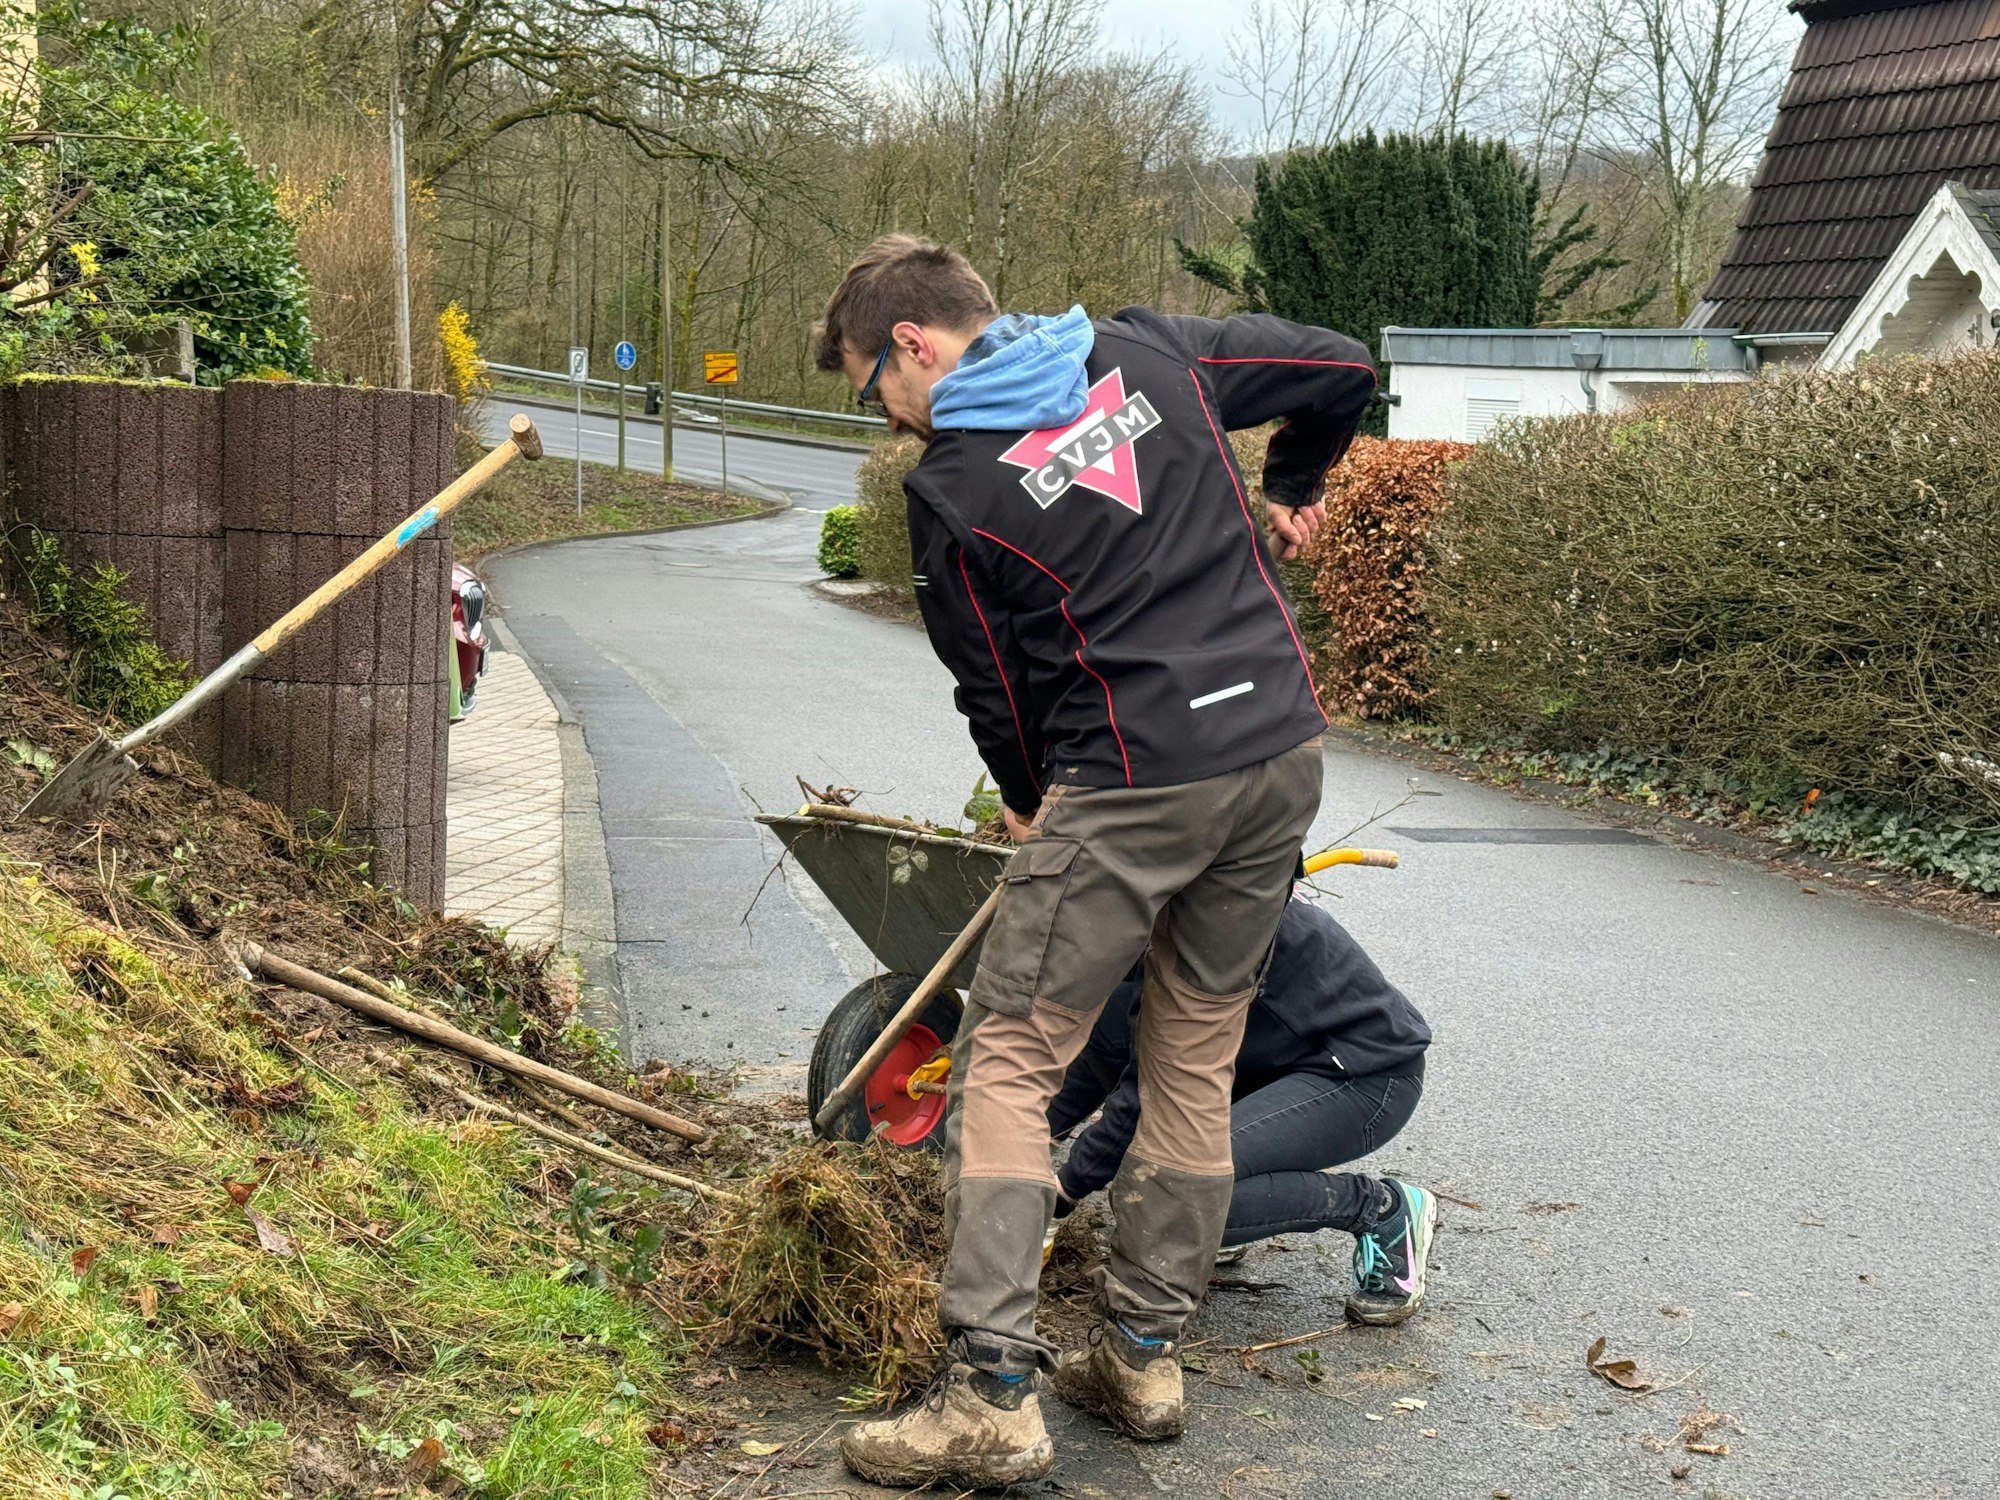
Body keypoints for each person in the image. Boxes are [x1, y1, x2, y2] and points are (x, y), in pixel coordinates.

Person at [812, 235, 1375, 1489]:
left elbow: (995, 691)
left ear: (914, 343)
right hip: (1278, 749)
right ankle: (1140, 1356)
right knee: (1193, 1047)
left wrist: (1028, 804)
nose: (884, 414)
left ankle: (990, 1392)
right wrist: (1297, 479)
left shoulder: (955, 487)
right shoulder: (1147, 351)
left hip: (1134, 778)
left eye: (870, 386)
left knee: (1008, 1054)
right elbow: (1336, 366)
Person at [1048, 893, 1435, 1324]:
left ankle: (1378, 1209)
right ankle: (1225, 1219)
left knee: (1179, 1194)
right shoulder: (1157, 910)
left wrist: (1064, 1189)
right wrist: (1033, 1137)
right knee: (1174, 1182)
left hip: (1363, 1077)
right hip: (1271, 1062)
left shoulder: (1205, 937)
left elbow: (1148, 1088)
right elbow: (1102, 1049)